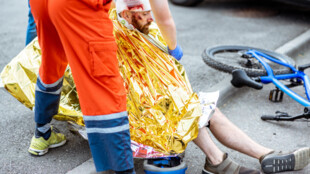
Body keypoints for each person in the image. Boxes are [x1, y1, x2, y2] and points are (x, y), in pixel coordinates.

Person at [114, 1, 310, 173]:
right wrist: (172, 47)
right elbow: (164, 18)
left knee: (200, 107)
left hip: (135, 88)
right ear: (127, 15)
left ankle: (263, 154)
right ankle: (217, 160)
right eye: (147, 15)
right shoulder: (132, 39)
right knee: (186, 105)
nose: (151, 19)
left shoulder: (124, 30)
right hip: (136, 112)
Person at [27, 0, 183, 173]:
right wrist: (173, 47)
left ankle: (42, 133)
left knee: (52, 61)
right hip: (78, 6)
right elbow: (161, 16)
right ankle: (123, 170)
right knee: (103, 85)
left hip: (42, 3)